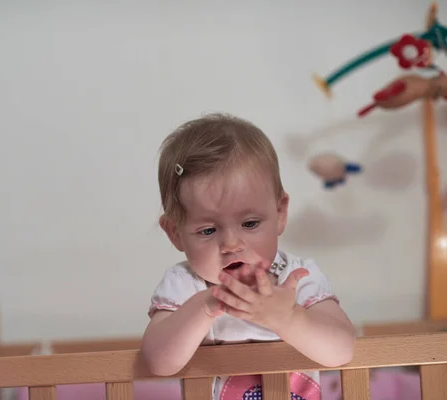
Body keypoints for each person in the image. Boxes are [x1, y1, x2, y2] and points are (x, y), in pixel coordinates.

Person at [140, 113, 357, 400]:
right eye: (207, 230)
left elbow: (342, 350)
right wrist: (207, 305)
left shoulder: (297, 277)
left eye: (250, 224)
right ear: (175, 233)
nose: (230, 243)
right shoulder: (185, 285)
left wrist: (288, 318)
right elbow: (158, 362)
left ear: (280, 214)